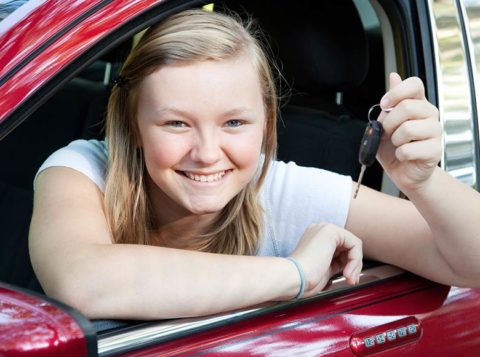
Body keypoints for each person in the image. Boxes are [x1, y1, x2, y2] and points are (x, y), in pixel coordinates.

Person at [29, 9, 480, 320]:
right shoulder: (82, 170)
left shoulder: (281, 193)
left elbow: (468, 266)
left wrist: (423, 183)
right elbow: (83, 282)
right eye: (176, 124)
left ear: (266, 122)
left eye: (234, 122)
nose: (206, 152)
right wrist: (296, 274)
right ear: (133, 124)